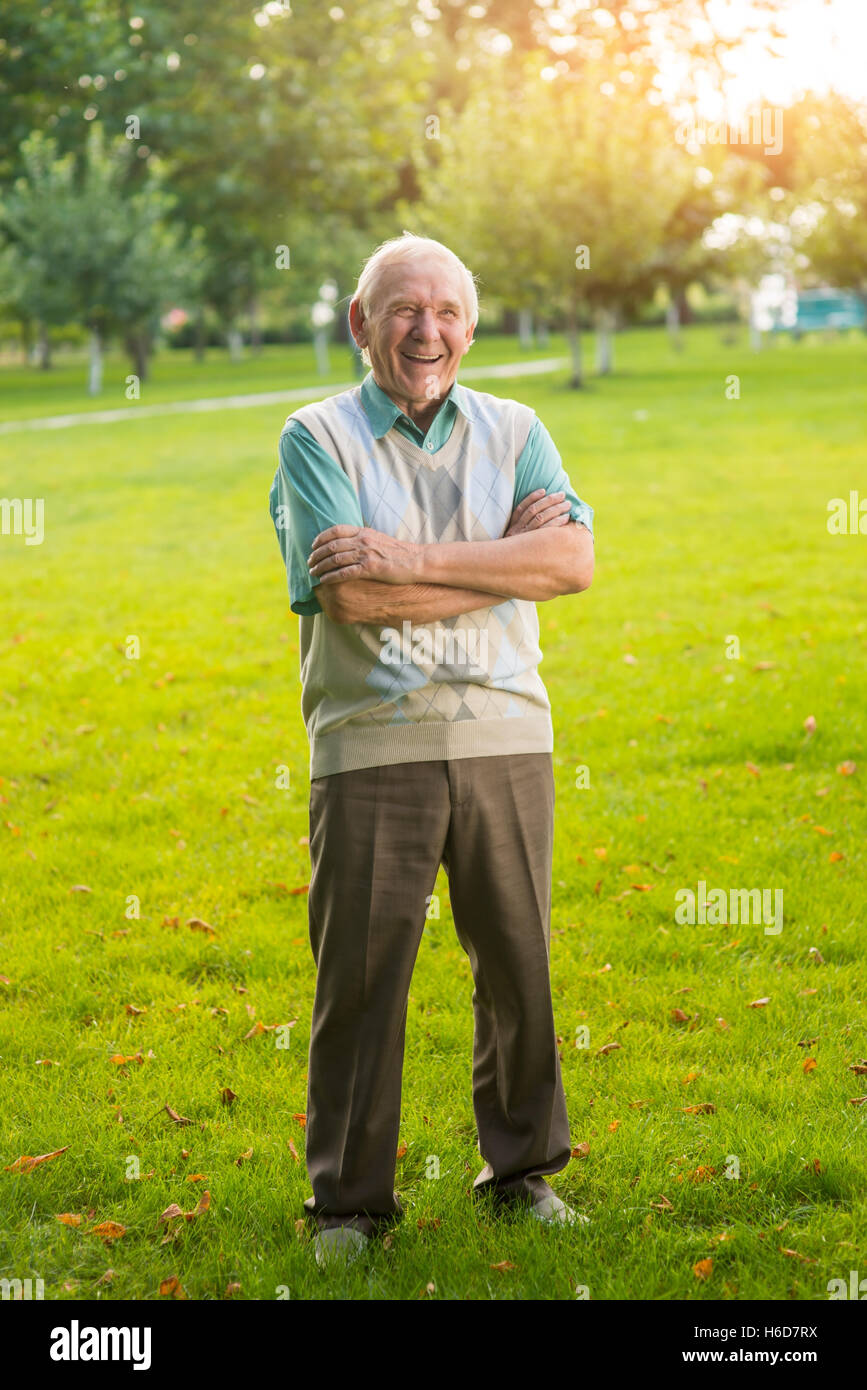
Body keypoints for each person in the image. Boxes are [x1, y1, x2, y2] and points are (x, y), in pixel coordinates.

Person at [269, 232, 595, 1266]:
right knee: (362, 974)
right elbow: (350, 596)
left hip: (508, 727)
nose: (429, 330)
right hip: (371, 740)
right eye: (404, 309)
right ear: (360, 323)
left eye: (449, 310)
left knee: (517, 960)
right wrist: (506, 562)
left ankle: (522, 1175)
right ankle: (349, 1208)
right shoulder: (314, 437)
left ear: (472, 322)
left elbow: (574, 561)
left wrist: (412, 555)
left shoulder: (518, 428)